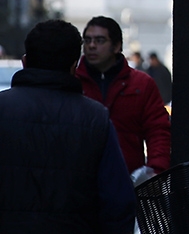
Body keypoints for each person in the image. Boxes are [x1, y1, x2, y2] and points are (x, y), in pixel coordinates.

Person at [0, 19, 135, 232]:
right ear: (75, 66)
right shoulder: (95, 118)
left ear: (25, 62)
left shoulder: (3, 108)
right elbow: (118, 201)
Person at [76, 16, 172, 177]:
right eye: (87, 40)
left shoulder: (141, 84)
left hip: (128, 181)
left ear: (116, 46)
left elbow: (158, 131)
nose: (92, 46)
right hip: (80, 183)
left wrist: (155, 170)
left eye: (99, 40)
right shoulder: (73, 82)